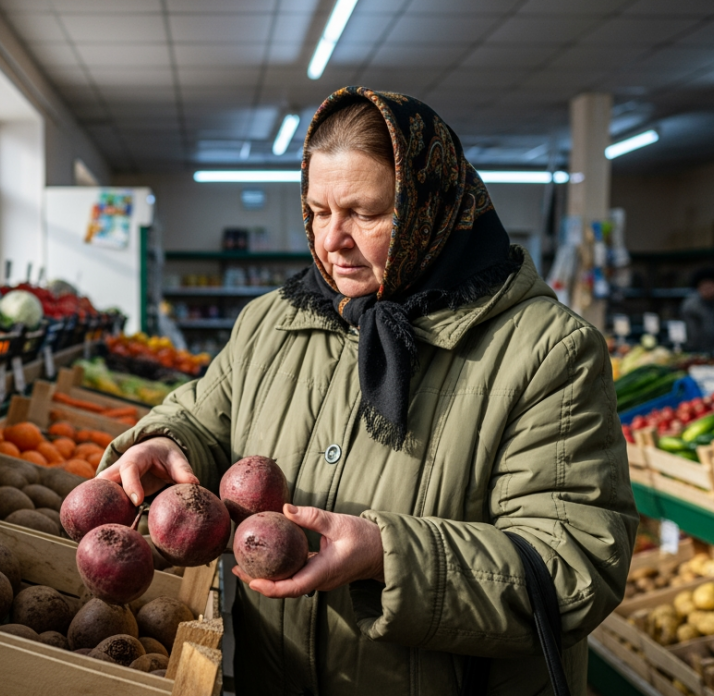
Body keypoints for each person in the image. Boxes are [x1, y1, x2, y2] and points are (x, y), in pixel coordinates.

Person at [98, 87, 636, 696]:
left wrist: (391, 554)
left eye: (366, 213)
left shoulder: (547, 351)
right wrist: (168, 440)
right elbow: (206, 415)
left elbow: (575, 566)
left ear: (430, 208)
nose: (331, 241)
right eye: (319, 211)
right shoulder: (273, 320)